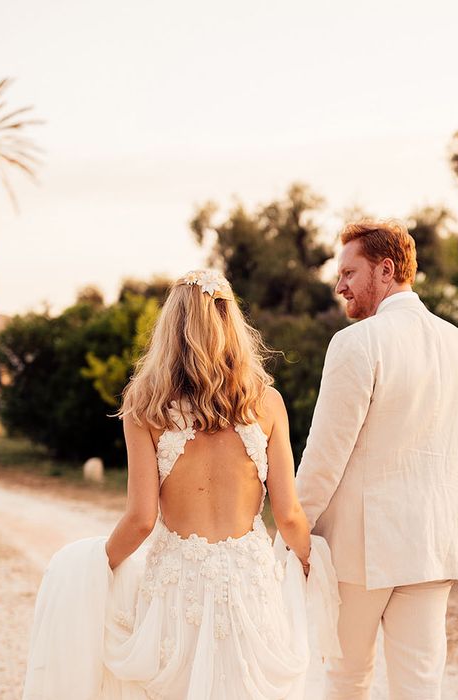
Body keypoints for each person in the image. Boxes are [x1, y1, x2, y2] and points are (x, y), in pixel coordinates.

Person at [24, 270, 340, 700]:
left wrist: (97, 567)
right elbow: (287, 514)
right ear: (232, 326)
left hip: (177, 586)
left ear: (170, 330)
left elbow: (139, 520)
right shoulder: (266, 403)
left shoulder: (144, 407)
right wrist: (309, 561)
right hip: (248, 583)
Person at [295, 220, 458, 699]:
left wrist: (294, 532)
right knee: (420, 686)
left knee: (346, 679)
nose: (340, 285)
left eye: (349, 272)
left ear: (386, 270)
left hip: (360, 548)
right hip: (432, 542)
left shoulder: (356, 344)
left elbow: (325, 456)